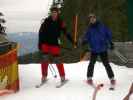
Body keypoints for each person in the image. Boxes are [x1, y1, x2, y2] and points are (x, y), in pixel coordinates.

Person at [38, 7, 73, 84]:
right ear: (51, 13)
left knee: (58, 60)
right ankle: (44, 77)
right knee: (44, 60)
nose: (54, 14)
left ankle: (63, 77)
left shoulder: (60, 22)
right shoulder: (46, 21)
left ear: (57, 13)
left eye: (55, 12)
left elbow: (66, 33)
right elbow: (41, 33)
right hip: (45, 43)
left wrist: (73, 41)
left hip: (55, 44)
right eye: (52, 12)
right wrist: (40, 43)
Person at [81, 13, 116, 86]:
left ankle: (112, 78)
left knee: (106, 64)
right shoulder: (89, 29)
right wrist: (84, 41)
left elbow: (108, 34)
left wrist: (111, 43)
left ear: (95, 18)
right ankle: (89, 78)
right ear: (90, 20)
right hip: (94, 49)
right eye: (91, 19)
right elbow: (87, 37)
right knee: (91, 64)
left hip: (102, 48)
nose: (92, 20)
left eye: (93, 18)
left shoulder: (102, 26)